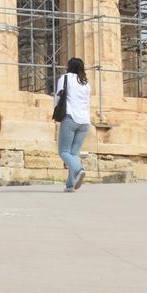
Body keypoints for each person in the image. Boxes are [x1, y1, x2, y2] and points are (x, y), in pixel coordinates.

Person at [53, 57, 91, 192]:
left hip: (70, 117)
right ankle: (70, 185)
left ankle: (78, 170)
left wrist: (56, 111)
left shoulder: (65, 78)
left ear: (69, 66)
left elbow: (58, 96)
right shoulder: (86, 83)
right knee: (74, 154)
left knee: (63, 151)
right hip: (85, 121)